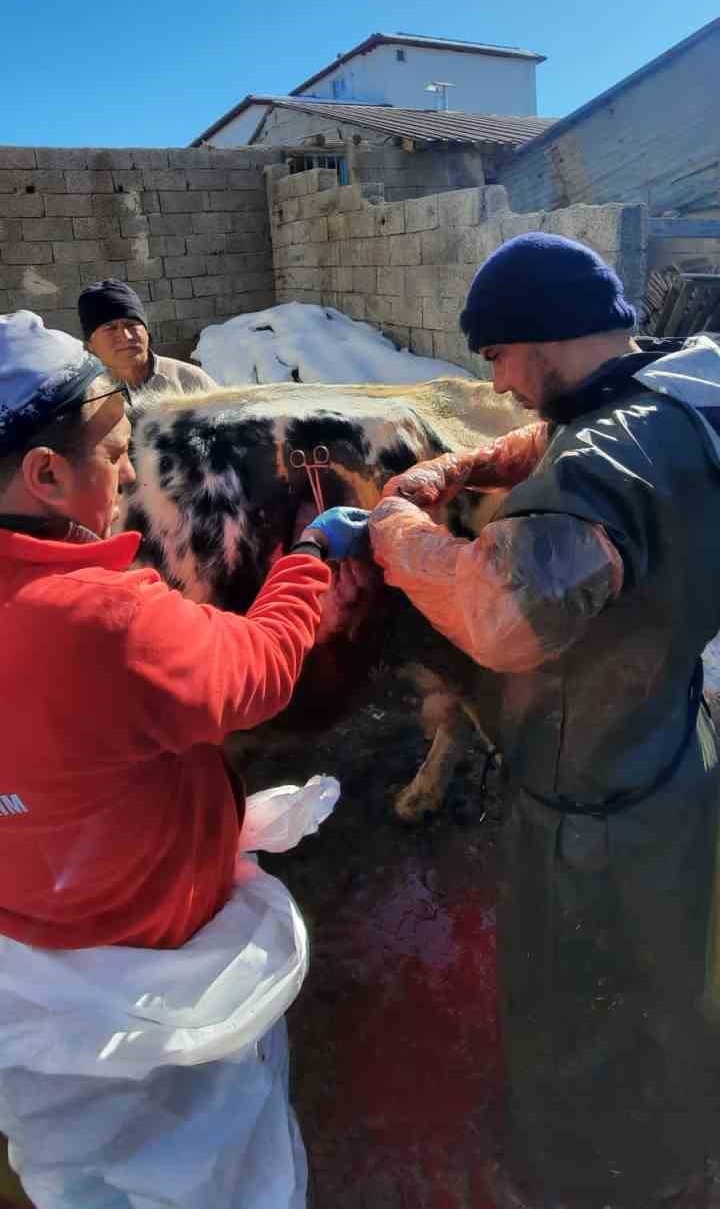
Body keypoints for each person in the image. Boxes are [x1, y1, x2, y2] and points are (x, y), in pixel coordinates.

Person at [367, 234, 720, 1209]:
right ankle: (681, 1139)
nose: (498, 380)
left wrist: (398, 533)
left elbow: (507, 615)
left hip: (587, 801)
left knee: (567, 1002)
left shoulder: (608, 457)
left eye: (495, 358)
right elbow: (571, 431)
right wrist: (464, 466)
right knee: (670, 975)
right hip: (672, 751)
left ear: (540, 344)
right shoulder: (686, 392)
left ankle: (572, 1176)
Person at [0, 309, 367, 1206]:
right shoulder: (98, 622)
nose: (130, 470)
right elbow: (263, 668)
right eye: (118, 450)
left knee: (83, 1172)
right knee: (212, 1168)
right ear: (46, 472)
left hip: (29, 967)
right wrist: (313, 553)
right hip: (159, 970)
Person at [77, 278, 217, 394]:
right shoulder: (86, 396)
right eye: (111, 328)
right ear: (91, 345)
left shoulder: (190, 381)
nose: (126, 336)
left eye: (131, 324)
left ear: (146, 331)